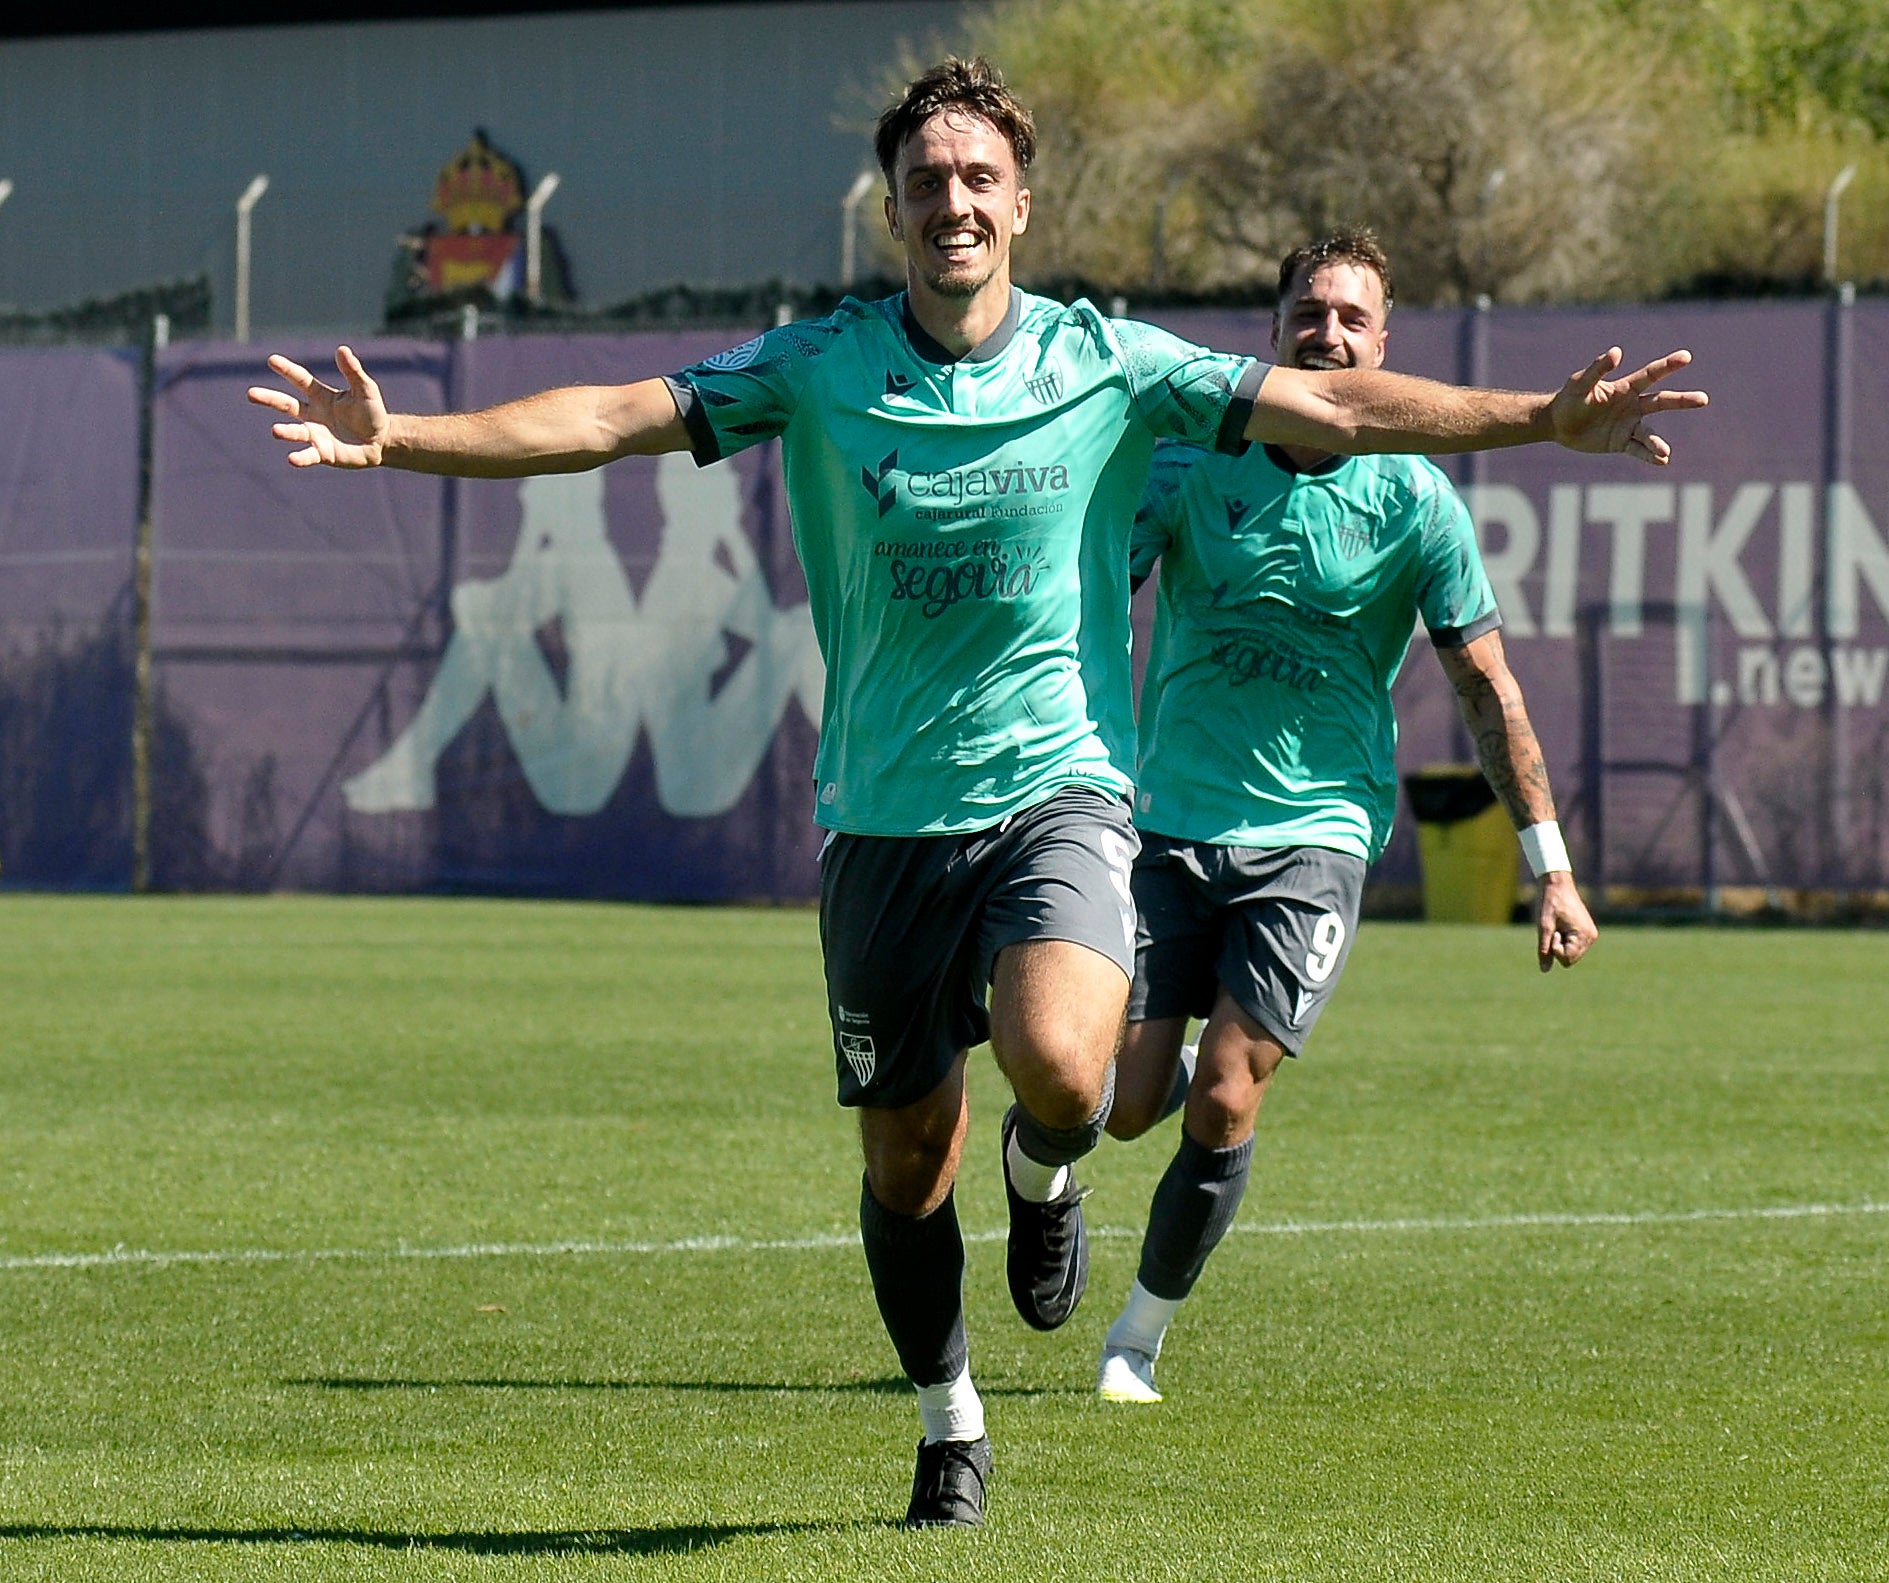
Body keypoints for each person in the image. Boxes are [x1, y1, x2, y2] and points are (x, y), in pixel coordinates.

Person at [248, 61, 1701, 1528]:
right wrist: (400, 436)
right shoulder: (818, 365)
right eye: (926, 177)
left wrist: (1536, 417)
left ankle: (1046, 1166)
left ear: (1020, 200)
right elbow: (616, 415)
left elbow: (1332, 398)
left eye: (976, 175)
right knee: (901, 1157)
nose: (953, 197)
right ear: (891, 208)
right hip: (883, 817)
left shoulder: (1107, 363)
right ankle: (950, 1413)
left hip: (1060, 793)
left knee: (1074, 1075)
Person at [1095, 229, 1598, 1408]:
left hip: (1316, 838)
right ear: (1271, 334)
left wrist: (1553, 869)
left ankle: (1135, 1338)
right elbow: (1080, 599)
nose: (1326, 334)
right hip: (1165, 822)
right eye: (1306, 314)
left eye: (1349, 318)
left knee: (1224, 1088)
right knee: (1115, 1102)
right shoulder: (1187, 463)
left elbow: (1486, 691)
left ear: (1383, 345)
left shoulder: (1416, 501)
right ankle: (1057, 1150)